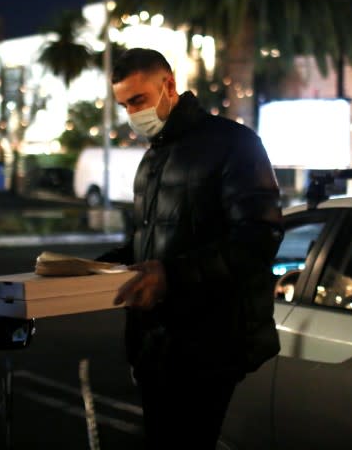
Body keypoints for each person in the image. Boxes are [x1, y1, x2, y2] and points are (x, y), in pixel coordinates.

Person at [97, 48, 283, 449]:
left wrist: (171, 277)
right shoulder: (152, 161)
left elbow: (258, 238)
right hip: (154, 347)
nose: (131, 113)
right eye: (124, 105)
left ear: (169, 86)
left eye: (138, 100)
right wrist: (92, 268)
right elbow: (147, 242)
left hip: (211, 345)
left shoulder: (234, 144)